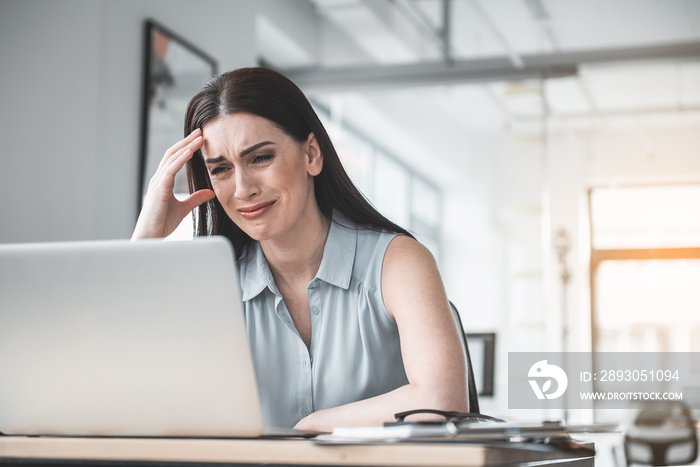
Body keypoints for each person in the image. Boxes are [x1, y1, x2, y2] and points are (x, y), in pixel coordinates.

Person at [132, 67, 468, 432]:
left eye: (260, 158)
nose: (243, 189)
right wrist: (146, 238)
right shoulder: (215, 284)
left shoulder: (398, 262)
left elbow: (443, 400)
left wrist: (313, 426)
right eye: (222, 169)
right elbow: (132, 393)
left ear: (311, 154)